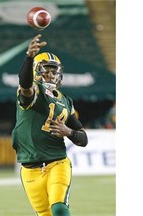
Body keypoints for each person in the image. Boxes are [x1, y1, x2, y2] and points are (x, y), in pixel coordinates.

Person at [12, 34, 88, 216]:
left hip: (57, 162)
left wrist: (68, 131)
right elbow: (25, 84)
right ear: (36, 71)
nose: (52, 74)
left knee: (59, 208)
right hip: (29, 167)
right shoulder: (33, 91)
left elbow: (83, 138)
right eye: (47, 70)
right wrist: (29, 57)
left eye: (55, 71)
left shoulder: (65, 100)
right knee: (45, 214)